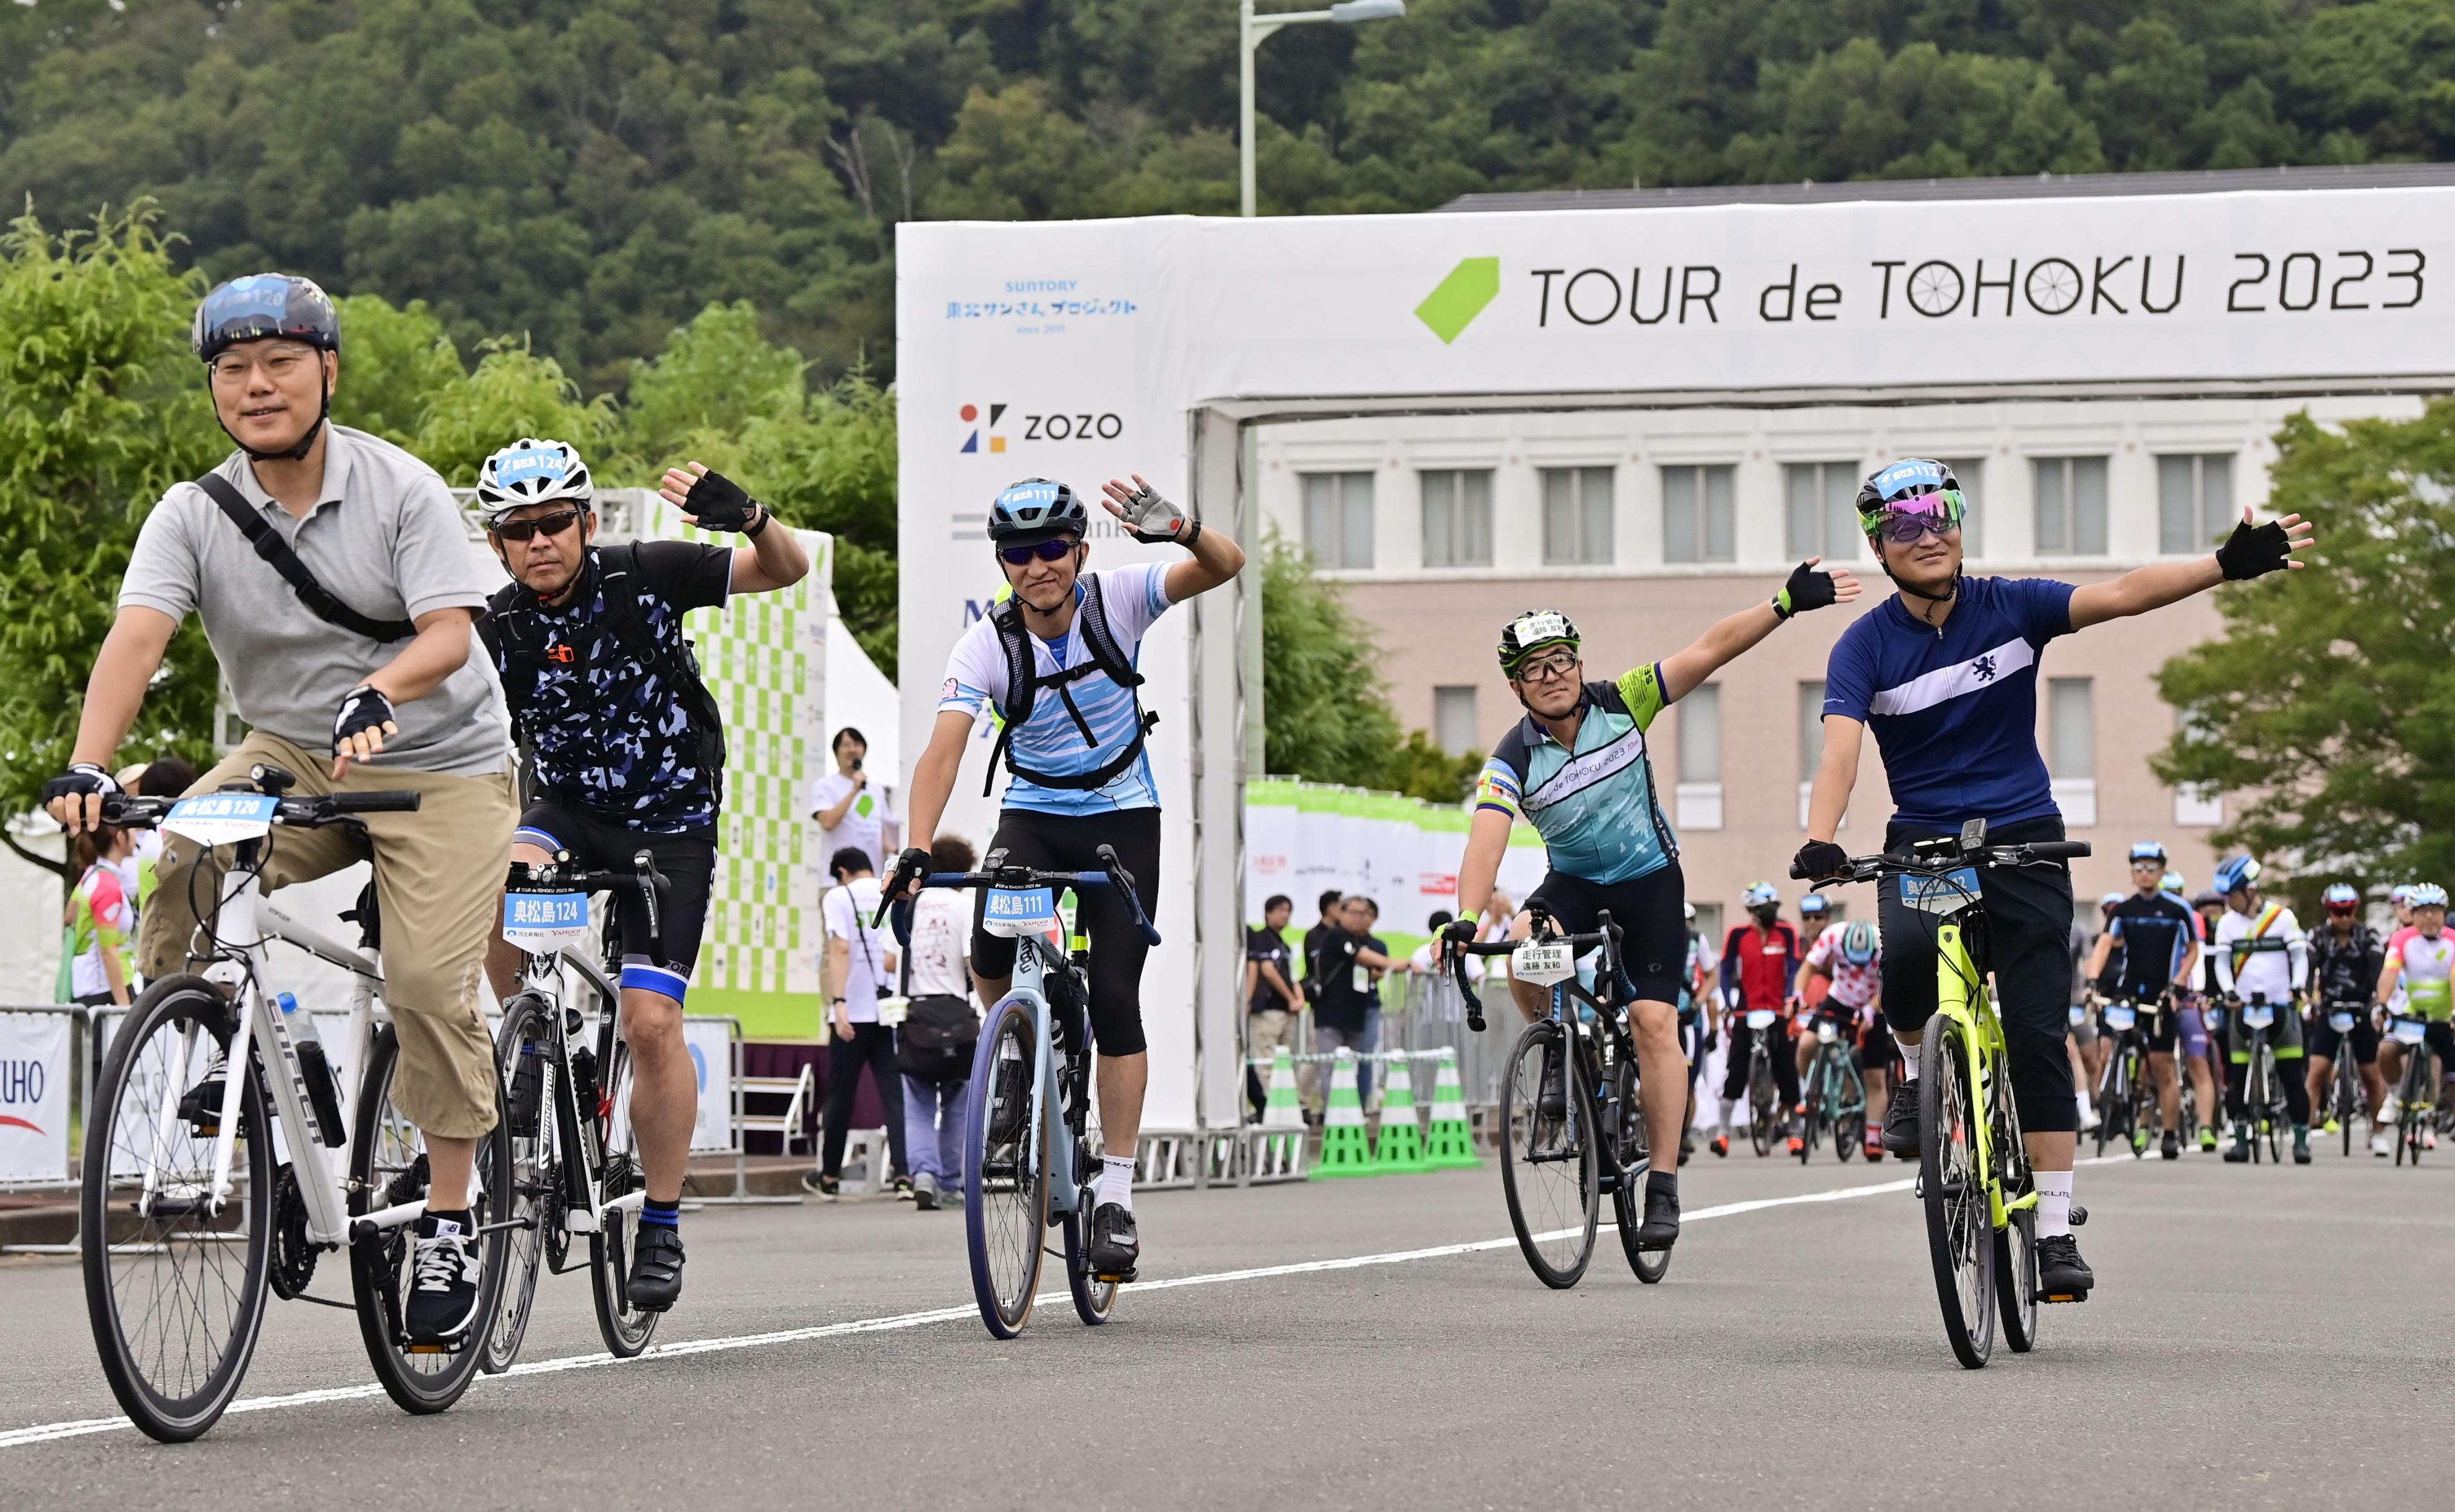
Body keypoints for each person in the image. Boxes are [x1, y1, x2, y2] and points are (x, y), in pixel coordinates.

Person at [47, 274, 520, 1348]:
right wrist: (87, 762)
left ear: (327, 372)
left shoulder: (402, 487)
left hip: (439, 759)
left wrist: (382, 688)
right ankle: (243, 1054)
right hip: (292, 750)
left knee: (421, 981)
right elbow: (138, 635)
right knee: (186, 848)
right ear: (213, 386)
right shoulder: (193, 512)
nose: (255, 385)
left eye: (279, 363)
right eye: (232, 369)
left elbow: (449, 631)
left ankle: (450, 1219)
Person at [1797, 455, 2312, 1300]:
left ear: (1961, 525)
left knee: (2038, 1035)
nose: (1926, 536)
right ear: (1878, 547)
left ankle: (2051, 1229)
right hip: (1926, 843)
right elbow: (1840, 749)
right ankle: (1921, 1078)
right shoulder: (1863, 645)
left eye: (1940, 516)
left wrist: (2223, 566)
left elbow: (2123, 593)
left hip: (2025, 837)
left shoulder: (2014, 605)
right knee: (1904, 969)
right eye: (1902, 526)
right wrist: (1821, 839)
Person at [475, 435, 810, 1308]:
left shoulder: (645, 572)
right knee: (489, 876)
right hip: (564, 814)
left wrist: (751, 519)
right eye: (519, 529)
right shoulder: (494, 625)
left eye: (555, 522)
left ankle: (659, 1222)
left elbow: (786, 571)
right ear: (498, 545)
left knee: (651, 1020)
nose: (539, 541)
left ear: (587, 523)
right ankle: (526, 1033)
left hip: (669, 820)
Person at [887, 473, 1246, 1281]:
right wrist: (916, 846)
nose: (1038, 565)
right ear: (1004, 564)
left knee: (1116, 995)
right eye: (1020, 553)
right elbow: (943, 750)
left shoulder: (1120, 598)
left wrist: (1184, 530)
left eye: (1053, 547)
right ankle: (1017, 1051)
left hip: (1123, 814)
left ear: (1080, 550)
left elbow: (1226, 565)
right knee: (988, 947)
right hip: (1036, 814)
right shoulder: (985, 642)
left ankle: (1115, 1194)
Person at [1447, 557, 1859, 1250]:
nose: (1551, 674)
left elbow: (1709, 648)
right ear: (1515, 684)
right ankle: (1561, 1047)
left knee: (1650, 1020)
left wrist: (1783, 602)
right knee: (1522, 946)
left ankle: (1662, 1182)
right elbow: (1485, 837)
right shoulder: (1510, 757)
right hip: (1573, 883)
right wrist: (1462, 917)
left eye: (1560, 660)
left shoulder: (1623, 698)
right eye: (1534, 668)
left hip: (1650, 881)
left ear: (1577, 665)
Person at [2083, 841, 2204, 1159]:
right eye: (2139, 868)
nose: (2145, 874)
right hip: (2129, 990)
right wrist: (2093, 980)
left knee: (2163, 1066)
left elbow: (2193, 950)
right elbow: (2105, 944)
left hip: (2161, 993)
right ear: (2132, 873)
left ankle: (2168, 1134)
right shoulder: (2124, 910)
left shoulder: (2178, 910)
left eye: (2152, 868)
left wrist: (2178, 984)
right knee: (2112, 1048)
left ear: (2162, 872)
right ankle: (2119, 1101)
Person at [809, 847, 908, 1198]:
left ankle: (831, 1176)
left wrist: (838, 1004)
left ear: (841, 871)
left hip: (853, 1012)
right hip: (891, 1008)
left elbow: (840, 949)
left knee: (841, 1094)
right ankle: (904, 1174)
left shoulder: (839, 896)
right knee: (896, 1094)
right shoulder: (895, 890)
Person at [2209, 854, 2314, 1164]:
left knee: (2292, 1075)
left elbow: (2298, 957)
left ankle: (2301, 1139)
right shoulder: (2228, 924)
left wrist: (2298, 986)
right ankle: (2240, 1140)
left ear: (2251, 890)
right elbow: (2222, 963)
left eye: (2233, 896)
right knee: (2237, 1077)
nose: (2228, 903)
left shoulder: (2283, 918)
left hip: (2280, 1005)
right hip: (2242, 1008)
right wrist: (2228, 990)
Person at [898, 835, 979, 1210]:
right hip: (955, 1016)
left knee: (917, 1103)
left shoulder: (908, 906)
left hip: (915, 1016)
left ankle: (924, 1175)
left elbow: (889, 961)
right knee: (958, 1101)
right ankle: (950, 1181)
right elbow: (971, 963)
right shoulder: (962, 907)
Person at [1717, 883, 1805, 1156]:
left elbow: (1794, 968)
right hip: (1747, 1010)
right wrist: (1729, 1004)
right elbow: (1726, 969)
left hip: (1779, 1010)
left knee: (1786, 1070)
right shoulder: (1738, 935)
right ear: (1751, 911)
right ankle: (1722, 1133)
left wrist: (1791, 998)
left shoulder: (1787, 933)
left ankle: (1795, 1130)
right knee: (1736, 1070)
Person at [2303, 882, 2388, 1156]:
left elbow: (2379, 972)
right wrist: (2308, 1000)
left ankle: (2377, 1133)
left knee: (2372, 1075)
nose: (2344, 918)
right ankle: (2303, 1130)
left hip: (2361, 1009)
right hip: (2330, 1009)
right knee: (2317, 1071)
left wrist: (2379, 1005)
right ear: (2329, 912)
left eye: (2349, 912)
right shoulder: (2318, 936)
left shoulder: (2369, 936)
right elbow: (2307, 970)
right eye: (2338, 913)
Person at [2375, 882, 2455, 1153]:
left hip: (2444, 1018)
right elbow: (2390, 972)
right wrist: (2382, 1005)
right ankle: (2397, 1094)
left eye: (2435, 910)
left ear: (2444, 913)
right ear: (2412, 914)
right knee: (2386, 1051)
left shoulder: (2453, 940)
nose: (2430, 917)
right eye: (2423, 911)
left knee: (2449, 1070)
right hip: (2411, 1016)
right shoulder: (2403, 939)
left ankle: (2439, 1117)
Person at [1799, 918, 1889, 1160]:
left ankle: (1872, 1136)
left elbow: (1891, 984)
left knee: (1875, 1076)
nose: (1858, 970)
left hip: (1874, 1003)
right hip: (1840, 1000)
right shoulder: (1833, 936)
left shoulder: (1884, 943)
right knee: (1806, 1043)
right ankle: (1813, 1092)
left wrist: (1872, 1009)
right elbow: (1808, 967)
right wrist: (1797, 995)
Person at [1313, 896, 1416, 1107]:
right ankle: (1332, 1114)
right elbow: (1363, 956)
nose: (1360, 918)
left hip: (1355, 1014)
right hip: (1331, 1014)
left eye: (1364, 914)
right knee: (1331, 1067)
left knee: (1353, 1067)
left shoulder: (1364, 941)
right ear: (1341, 913)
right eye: (1354, 913)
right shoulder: (1337, 936)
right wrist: (1395, 964)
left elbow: (1367, 971)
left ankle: (1353, 1111)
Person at [65, 826, 140, 1009]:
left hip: (91, 985)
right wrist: (124, 1007)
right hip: (107, 988)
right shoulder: (107, 886)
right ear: (120, 838)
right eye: (131, 830)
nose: (136, 835)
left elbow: (69, 916)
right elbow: (108, 952)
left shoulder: (92, 874)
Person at [809, 726, 900, 875]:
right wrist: (855, 790)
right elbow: (828, 823)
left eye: (857, 745)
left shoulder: (876, 790)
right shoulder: (825, 785)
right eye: (846, 745)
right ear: (836, 753)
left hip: (873, 877)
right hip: (837, 879)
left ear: (864, 751)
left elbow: (884, 833)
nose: (852, 750)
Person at [1245, 894, 1301, 1120]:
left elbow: (1293, 975)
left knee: (1284, 1062)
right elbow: (1265, 970)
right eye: (1280, 910)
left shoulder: (1284, 944)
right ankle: (1269, 1109)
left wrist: (1298, 999)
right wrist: (1290, 997)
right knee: (1266, 1060)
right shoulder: (1261, 938)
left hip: (1285, 1011)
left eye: (1288, 910)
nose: (1285, 915)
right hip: (1267, 1009)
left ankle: (1283, 1107)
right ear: (1268, 913)